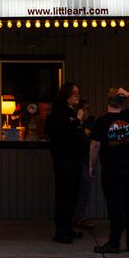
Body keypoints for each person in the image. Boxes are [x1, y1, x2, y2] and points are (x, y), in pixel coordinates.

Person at [88, 86, 129, 254]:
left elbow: (95, 145)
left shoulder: (101, 122)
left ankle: (114, 243)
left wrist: (91, 165)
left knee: (116, 207)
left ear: (108, 101)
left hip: (112, 170)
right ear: (122, 101)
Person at [46, 83, 88, 243]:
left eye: (78, 93)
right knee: (64, 196)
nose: (77, 96)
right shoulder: (59, 112)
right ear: (66, 95)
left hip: (75, 159)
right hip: (65, 160)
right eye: (74, 93)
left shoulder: (70, 111)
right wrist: (77, 120)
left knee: (73, 195)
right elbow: (64, 132)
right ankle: (61, 232)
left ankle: (68, 228)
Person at [72, 99, 94, 230]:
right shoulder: (75, 125)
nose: (87, 111)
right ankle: (77, 217)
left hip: (87, 160)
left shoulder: (90, 124)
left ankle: (78, 216)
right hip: (76, 160)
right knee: (78, 189)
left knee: (85, 189)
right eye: (85, 108)